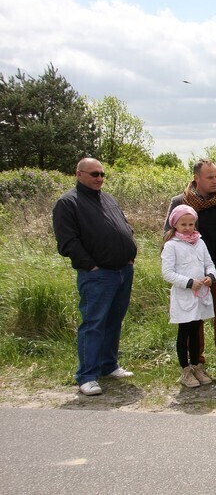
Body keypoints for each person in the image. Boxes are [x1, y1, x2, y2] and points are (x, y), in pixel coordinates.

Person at [53, 158, 137, 396]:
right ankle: (87, 375)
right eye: (94, 174)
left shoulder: (107, 197)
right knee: (93, 323)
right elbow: (67, 241)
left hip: (123, 271)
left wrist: (130, 253)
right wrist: (91, 266)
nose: (99, 178)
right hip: (98, 275)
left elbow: (125, 226)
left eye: (102, 174)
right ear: (78, 174)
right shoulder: (68, 203)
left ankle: (108, 365)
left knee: (113, 320)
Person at [165, 160, 216, 373]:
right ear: (196, 179)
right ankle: (196, 360)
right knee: (194, 317)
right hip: (190, 275)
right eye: (210, 177)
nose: (215, 181)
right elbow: (167, 234)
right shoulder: (180, 202)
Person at [161, 205, 216, 388]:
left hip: (200, 295)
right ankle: (185, 370)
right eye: (183, 224)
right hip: (184, 296)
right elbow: (167, 273)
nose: (187, 227)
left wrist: (210, 276)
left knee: (196, 331)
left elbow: (209, 263)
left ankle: (196, 366)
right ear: (175, 224)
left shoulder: (200, 242)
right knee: (184, 332)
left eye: (191, 224)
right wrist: (189, 282)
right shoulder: (171, 246)